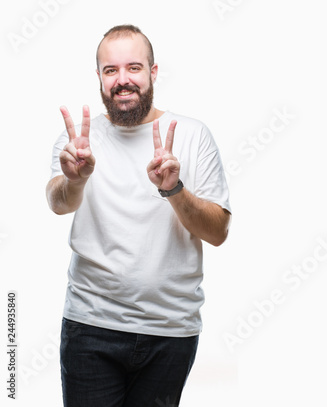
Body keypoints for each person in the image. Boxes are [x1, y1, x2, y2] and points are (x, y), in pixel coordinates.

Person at [46, 24, 231, 407]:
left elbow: (218, 232)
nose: (123, 80)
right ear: (99, 78)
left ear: (153, 72)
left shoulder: (193, 135)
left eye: (134, 67)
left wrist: (174, 190)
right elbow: (58, 202)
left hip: (171, 330)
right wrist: (75, 180)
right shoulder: (79, 141)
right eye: (111, 70)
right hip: (91, 326)